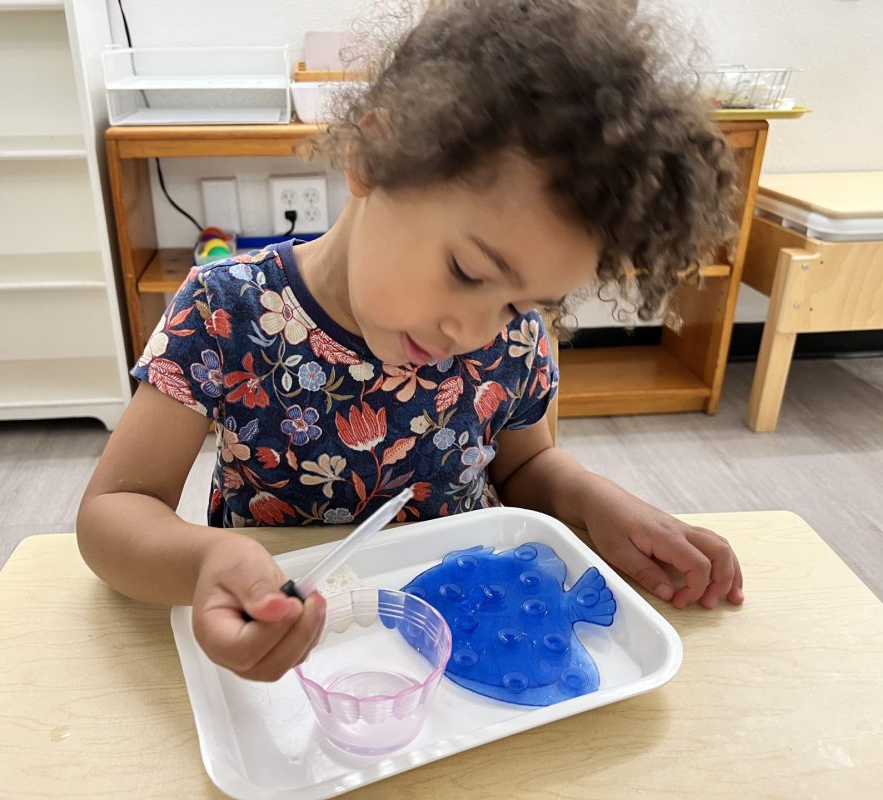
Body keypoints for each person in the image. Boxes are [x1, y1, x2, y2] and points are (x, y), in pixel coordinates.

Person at [77, 0, 743, 683]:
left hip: (457, 644)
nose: (473, 331)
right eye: (467, 272)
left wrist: (597, 502)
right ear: (374, 157)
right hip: (294, 649)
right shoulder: (225, 311)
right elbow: (112, 513)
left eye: (518, 302)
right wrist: (206, 562)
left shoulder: (512, 340)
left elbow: (526, 469)